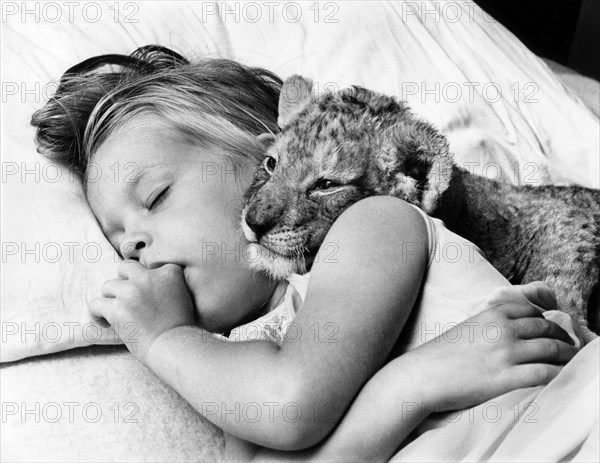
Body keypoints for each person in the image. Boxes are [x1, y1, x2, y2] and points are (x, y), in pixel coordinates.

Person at [31, 46, 580, 462]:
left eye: (155, 197)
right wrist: (406, 387)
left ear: (265, 155)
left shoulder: (370, 226)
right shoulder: (233, 368)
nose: (134, 245)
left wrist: (163, 341)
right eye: (118, 239)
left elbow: (292, 406)